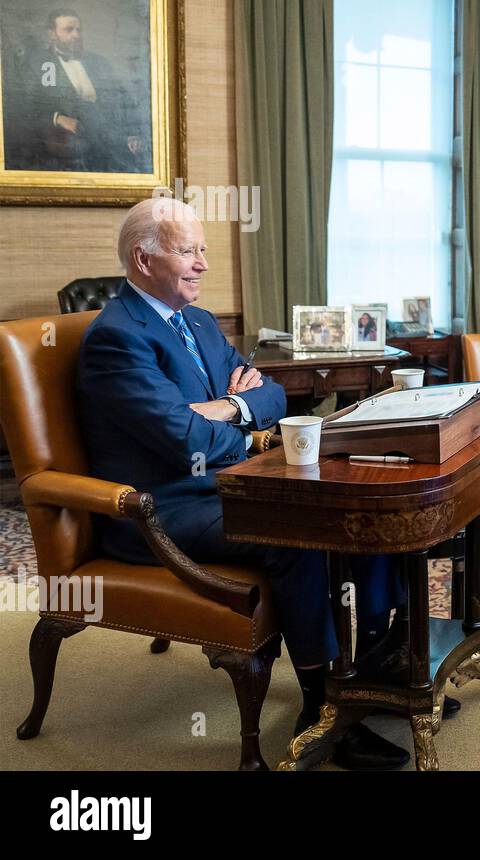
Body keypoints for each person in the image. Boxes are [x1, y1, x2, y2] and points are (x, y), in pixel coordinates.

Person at [77, 197, 419, 770]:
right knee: (299, 533)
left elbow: (275, 396)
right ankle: (323, 711)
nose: (203, 264)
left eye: (202, 250)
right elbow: (186, 441)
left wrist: (224, 406)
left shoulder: (200, 322)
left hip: (226, 484)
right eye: (189, 251)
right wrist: (235, 415)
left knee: (358, 503)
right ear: (143, 259)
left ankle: (378, 665)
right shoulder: (117, 338)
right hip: (162, 509)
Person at [4, 9, 148, 173]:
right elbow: (25, 108)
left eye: (79, 30)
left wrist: (132, 133)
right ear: (52, 34)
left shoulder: (99, 62)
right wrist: (57, 118)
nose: (76, 35)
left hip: (111, 133)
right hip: (73, 139)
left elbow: (124, 101)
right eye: (68, 30)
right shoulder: (40, 64)